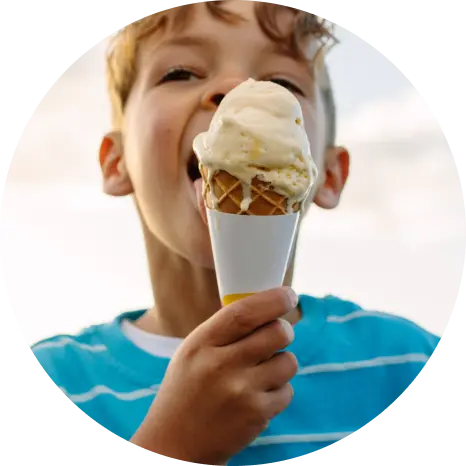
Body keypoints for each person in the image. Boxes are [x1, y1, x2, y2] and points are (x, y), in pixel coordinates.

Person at [31, 1, 441, 465]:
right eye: (181, 72)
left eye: (282, 83)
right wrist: (172, 447)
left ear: (327, 174)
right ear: (116, 161)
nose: (235, 89)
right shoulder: (60, 379)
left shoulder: (406, 364)